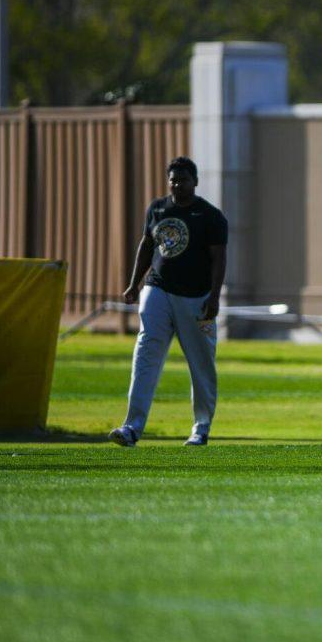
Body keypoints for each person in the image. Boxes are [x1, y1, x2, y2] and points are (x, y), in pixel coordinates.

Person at [109, 156, 227, 447]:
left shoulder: (210, 216)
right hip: (157, 289)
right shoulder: (158, 208)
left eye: (184, 179)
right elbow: (147, 245)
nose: (178, 184)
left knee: (201, 365)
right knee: (145, 356)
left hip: (196, 298)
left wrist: (214, 296)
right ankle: (132, 427)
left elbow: (219, 259)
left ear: (195, 182)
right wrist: (134, 283)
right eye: (173, 179)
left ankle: (201, 428)